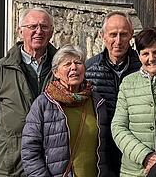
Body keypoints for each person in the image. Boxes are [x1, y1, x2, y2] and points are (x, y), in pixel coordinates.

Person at [22, 45, 112, 177]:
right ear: (56, 72)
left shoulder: (97, 102)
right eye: (67, 64)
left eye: (78, 63)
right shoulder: (43, 104)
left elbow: (106, 149)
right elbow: (29, 152)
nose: (74, 67)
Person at [0, 8, 57, 177]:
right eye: (32, 26)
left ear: (52, 32)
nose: (38, 31)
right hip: (12, 166)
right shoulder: (0, 70)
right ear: (21, 32)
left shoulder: (61, 68)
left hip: (51, 164)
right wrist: (9, 145)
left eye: (44, 27)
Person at [85, 11, 142, 173]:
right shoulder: (90, 69)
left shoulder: (142, 67)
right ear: (103, 36)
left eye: (123, 34)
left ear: (131, 35)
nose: (118, 41)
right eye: (113, 34)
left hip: (133, 145)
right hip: (101, 148)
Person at [112, 28, 156, 177]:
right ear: (139, 55)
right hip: (134, 170)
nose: (151, 58)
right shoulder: (128, 83)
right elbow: (118, 127)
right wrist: (145, 156)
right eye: (145, 54)